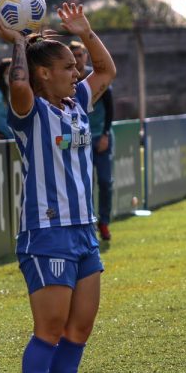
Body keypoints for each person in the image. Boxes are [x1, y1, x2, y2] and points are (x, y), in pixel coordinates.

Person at [0, 2, 116, 373]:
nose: (76, 70)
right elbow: (19, 84)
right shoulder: (30, 112)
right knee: (49, 328)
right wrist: (19, 46)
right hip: (46, 232)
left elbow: (106, 70)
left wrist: (85, 31)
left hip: (83, 231)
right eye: (67, 65)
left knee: (79, 327)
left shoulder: (76, 103)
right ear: (45, 73)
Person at [71, 41, 115, 241]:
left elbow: (110, 107)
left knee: (105, 181)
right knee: (84, 185)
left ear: (86, 56)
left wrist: (106, 133)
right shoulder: (64, 81)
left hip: (100, 137)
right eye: (73, 56)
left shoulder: (94, 79)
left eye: (80, 55)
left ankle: (103, 222)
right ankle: (87, 224)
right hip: (79, 139)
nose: (77, 59)